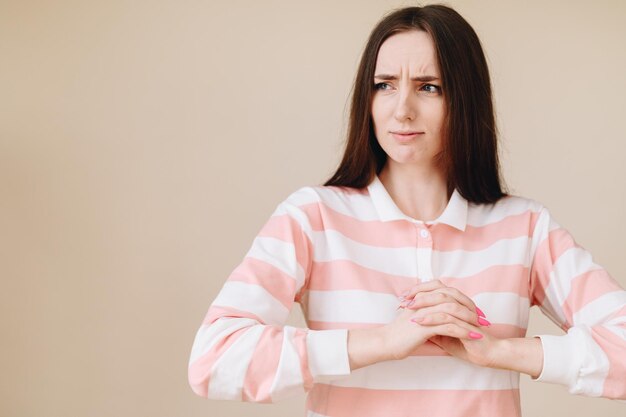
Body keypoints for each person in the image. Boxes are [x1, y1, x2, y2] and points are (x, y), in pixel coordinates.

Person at [188, 5, 626, 416]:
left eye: (428, 87)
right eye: (384, 85)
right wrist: (381, 342)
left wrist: (497, 350)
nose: (402, 109)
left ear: (465, 101)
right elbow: (214, 357)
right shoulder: (313, 217)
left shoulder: (525, 228)